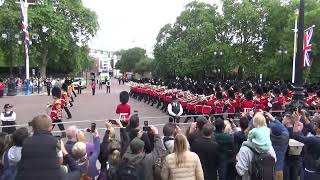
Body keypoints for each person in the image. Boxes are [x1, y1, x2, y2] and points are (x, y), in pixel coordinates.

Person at [15, 114, 64, 180]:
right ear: (50, 127)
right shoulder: (56, 141)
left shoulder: (25, 142)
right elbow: (60, 161)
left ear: (33, 128)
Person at [236, 113, 277, 180]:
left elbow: (240, 171)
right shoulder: (269, 147)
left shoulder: (245, 149)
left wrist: (237, 161)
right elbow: (274, 161)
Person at [290, 112, 320, 179]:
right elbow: (310, 130)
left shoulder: (314, 140)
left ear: (318, 127)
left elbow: (295, 135)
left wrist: (296, 121)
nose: (313, 126)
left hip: (312, 172)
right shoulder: (314, 139)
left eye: (315, 124)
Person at [267, 112, 289, 180]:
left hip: (269, 170)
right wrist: (273, 119)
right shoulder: (285, 136)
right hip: (279, 170)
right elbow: (283, 128)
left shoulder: (269, 138)